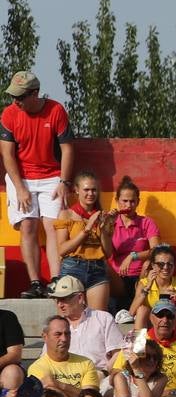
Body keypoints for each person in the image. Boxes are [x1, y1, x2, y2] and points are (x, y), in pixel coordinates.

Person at [1, 71, 75, 298]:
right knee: (28, 225)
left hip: (52, 176)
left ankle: (55, 281)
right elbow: (7, 153)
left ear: (35, 93)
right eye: (14, 96)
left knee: (53, 227)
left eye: (21, 97)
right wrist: (20, 188)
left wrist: (64, 181)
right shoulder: (9, 114)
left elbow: (68, 149)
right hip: (20, 177)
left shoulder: (56, 110)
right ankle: (35, 283)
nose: (16, 101)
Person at [53, 172, 114, 310]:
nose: (91, 193)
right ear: (76, 190)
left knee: (97, 319)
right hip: (72, 267)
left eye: (94, 190)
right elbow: (62, 249)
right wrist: (86, 229)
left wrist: (104, 230)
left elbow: (108, 253)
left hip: (97, 268)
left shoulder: (102, 215)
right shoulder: (66, 214)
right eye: (86, 189)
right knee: (70, 318)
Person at [106, 176, 162, 312]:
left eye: (132, 201)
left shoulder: (147, 223)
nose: (128, 206)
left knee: (150, 265)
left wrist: (133, 256)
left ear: (138, 202)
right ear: (117, 201)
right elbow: (107, 253)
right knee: (101, 266)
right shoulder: (111, 223)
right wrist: (108, 228)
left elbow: (157, 251)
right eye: (124, 201)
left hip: (141, 276)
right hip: (118, 278)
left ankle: (133, 311)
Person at [53, 274, 122, 374]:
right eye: (57, 300)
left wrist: (104, 373)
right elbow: (46, 357)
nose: (60, 305)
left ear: (80, 297)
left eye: (64, 299)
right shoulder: (56, 325)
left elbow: (118, 353)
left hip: (98, 375)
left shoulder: (103, 318)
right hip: (65, 377)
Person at [28, 315, 98, 397]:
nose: (64, 339)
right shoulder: (37, 368)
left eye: (67, 334)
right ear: (45, 337)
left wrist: (59, 384)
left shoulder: (86, 363)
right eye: (58, 334)